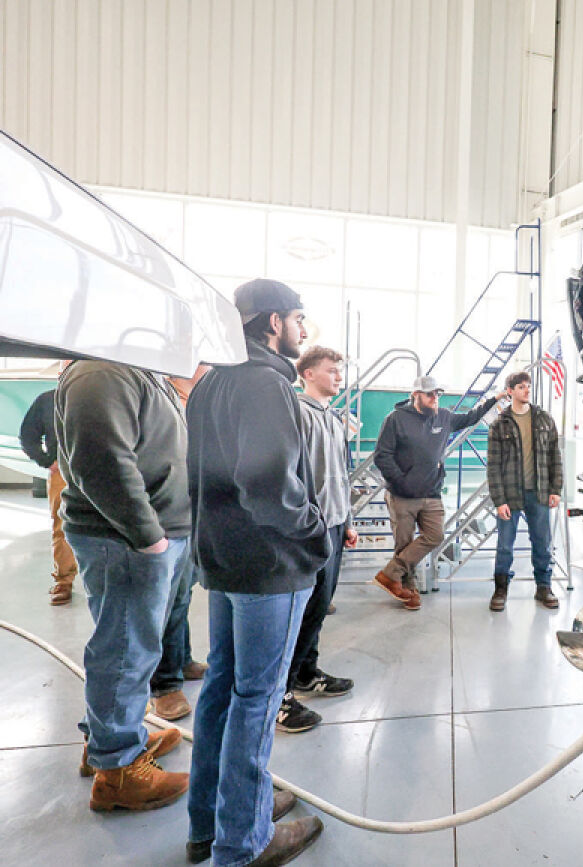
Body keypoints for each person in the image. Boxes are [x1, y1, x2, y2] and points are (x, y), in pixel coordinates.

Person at [185, 279, 327, 866]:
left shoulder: (211, 381)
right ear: (273, 322)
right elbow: (269, 486)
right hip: (268, 566)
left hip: (224, 561)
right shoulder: (266, 384)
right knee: (257, 700)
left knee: (222, 689)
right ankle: (242, 842)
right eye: (297, 318)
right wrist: (314, 531)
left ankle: (212, 820)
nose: (303, 329)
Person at [55, 360, 191, 810]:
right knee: (126, 650)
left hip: (143, 536)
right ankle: (118, 770)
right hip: (126, 538)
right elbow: (102, 461)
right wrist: (148, 535)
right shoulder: (102, 371)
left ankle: (110, 737)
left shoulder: (141, 371)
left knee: (134, 647)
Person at [276, 346, 359, 734]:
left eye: (340, 371)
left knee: (320, 606)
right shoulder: (298, 414)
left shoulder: (334, 418)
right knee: (303, 611)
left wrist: (348, 520)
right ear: (308, 374)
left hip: (336, 524)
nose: (338, 377)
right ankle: (281, 692)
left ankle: (306, 673)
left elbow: (341, 472)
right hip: (313, 528)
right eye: (331, 370)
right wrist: (308, 524)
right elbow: (290, 475)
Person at [372, 375, 501, 610]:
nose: (435, 398)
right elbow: (382, 455)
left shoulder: (444, 416)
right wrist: (401, 482)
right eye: (430, 394)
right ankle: (408, 589)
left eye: (437, 394)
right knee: (404, 544)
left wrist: (495, 399)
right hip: (402, 495)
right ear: (415, 395)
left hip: (431, 493)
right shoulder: (395, 419)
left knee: (435, 536)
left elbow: (471, 417)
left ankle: (390, 574)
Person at [147, 365, 213, 722]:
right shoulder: (160, 395)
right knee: (163, 608)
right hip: (162, 523)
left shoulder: (192, 400)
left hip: (189, 519)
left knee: (180, 599)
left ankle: (181, 660)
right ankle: (164, 686)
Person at [486, 371, 564, 612]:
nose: (527, 390)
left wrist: (556, 489)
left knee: (542, 543)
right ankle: (501, 589)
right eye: (521, 387)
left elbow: (555, 456)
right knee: (505, 545)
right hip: (510, 495)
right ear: (510, 391)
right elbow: (493, 467)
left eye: (528, 386)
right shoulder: (500, 424)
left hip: (539, 492)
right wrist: (499, 501)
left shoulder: (544, 419)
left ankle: (544, 586)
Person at [18, 381, 77, 605]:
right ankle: (64, 580)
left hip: (100, 470)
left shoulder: (103, 398)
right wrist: (47, 462)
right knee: (62, 525)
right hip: (62, 472)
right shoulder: (47, 400)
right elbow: (27, 436)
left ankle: (108, 581)